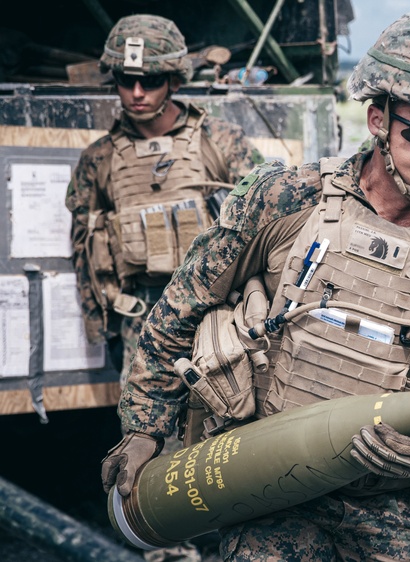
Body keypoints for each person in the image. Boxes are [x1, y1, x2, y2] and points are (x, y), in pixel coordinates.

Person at [100, 11, 410, 562]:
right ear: (377, 119)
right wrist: (145, 429)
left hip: (394, 513)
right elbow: (180, 311)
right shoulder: (285, 199)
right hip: (267, 488)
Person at [65, 14, 263, 385]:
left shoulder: (220, 140)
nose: (138, 93)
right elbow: (85, 250)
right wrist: (101, 329)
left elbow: (268, 228)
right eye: (127, 80)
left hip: (219, 314)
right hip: (142, 319)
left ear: (173, 80)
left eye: (151, 81)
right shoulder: (99, 159)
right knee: (146, 436)